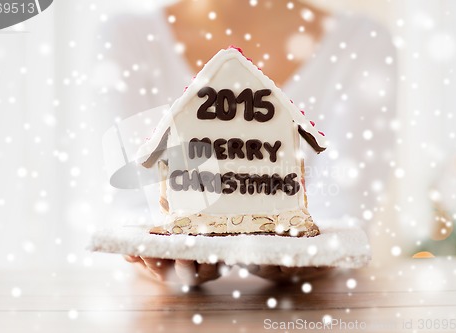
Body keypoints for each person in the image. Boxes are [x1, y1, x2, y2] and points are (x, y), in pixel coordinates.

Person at [99, 0, 396, 285]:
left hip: (314, 309)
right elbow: (134, 202)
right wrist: (160, 251)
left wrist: (316, 253)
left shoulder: (363, 42)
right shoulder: (126, 37)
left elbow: (344, 207)